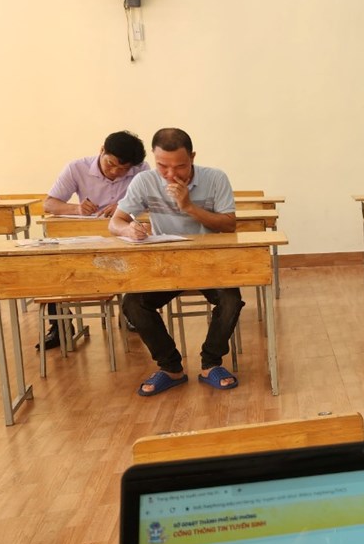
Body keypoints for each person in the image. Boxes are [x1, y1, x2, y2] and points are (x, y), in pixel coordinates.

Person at [109, 128, 243, 395]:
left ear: (192, 157)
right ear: (154, 158)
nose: (171, 174)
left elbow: (229, 224)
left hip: (208, 262)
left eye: (180, 166)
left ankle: (211, 364)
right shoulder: (145, 181)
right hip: (166, 264)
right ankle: (170, 368)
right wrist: (128, 229)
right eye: (163, 166)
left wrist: (189, 207)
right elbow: (115, 221)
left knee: (231, 300)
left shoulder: (215, 178)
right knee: (133, 304)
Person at [36, 131, 149, 348]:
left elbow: (151, 201)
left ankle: (132, 312)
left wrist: (125, 207)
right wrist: (76, 209)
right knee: (53, 264)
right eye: (110, 164)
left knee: (142, 259)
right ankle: (60, 325)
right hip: (87, 238)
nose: (115, 172)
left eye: (123, 169)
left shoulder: (142, 170)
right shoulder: (76, 168)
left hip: (126, 239)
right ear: (102, 150)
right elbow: (49, 204)